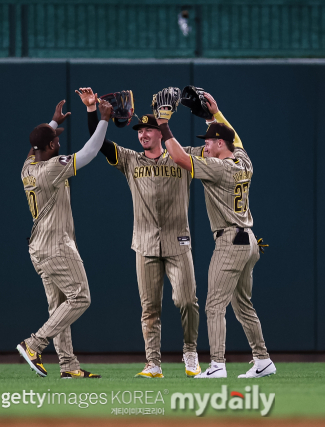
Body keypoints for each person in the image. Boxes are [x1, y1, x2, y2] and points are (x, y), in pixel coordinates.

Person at [76, 87, 203, 378]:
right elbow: (99, 143)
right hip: (144, 243)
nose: (142, 135)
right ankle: (153, 362)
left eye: (148, 130)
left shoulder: (182, 158)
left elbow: (218, 147)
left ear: (160, 132)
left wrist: (210, 116)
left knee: (187, 301)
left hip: (178, 242)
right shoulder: (131, 160)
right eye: (139, 131)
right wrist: (91, 110)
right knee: (150, 308)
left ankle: (190, 351)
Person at [155, 92, 276, 379]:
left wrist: (164, 126)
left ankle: (218, 364)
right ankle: (262, 360)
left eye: (208, 140)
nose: (204, 145)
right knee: (242, 304)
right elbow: (238, 142)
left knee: (213, 305)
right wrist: (214, 115)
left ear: (220, 144)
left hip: (230, 241)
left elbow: (183, 160)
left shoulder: (219, 168)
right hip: (248, 240)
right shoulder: (243, 162)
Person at [17, 99, 113, 379]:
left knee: (59, 306)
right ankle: (34, 344)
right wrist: (103, 119)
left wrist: (53, 122)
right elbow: (90, 151)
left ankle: (68, 365)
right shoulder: (51, 168)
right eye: (55, 140)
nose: (58, 143)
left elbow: (38, 145)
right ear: (50, 148)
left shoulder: (28, 167)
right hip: (56, 245)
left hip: (38, 247)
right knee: (81, 297)